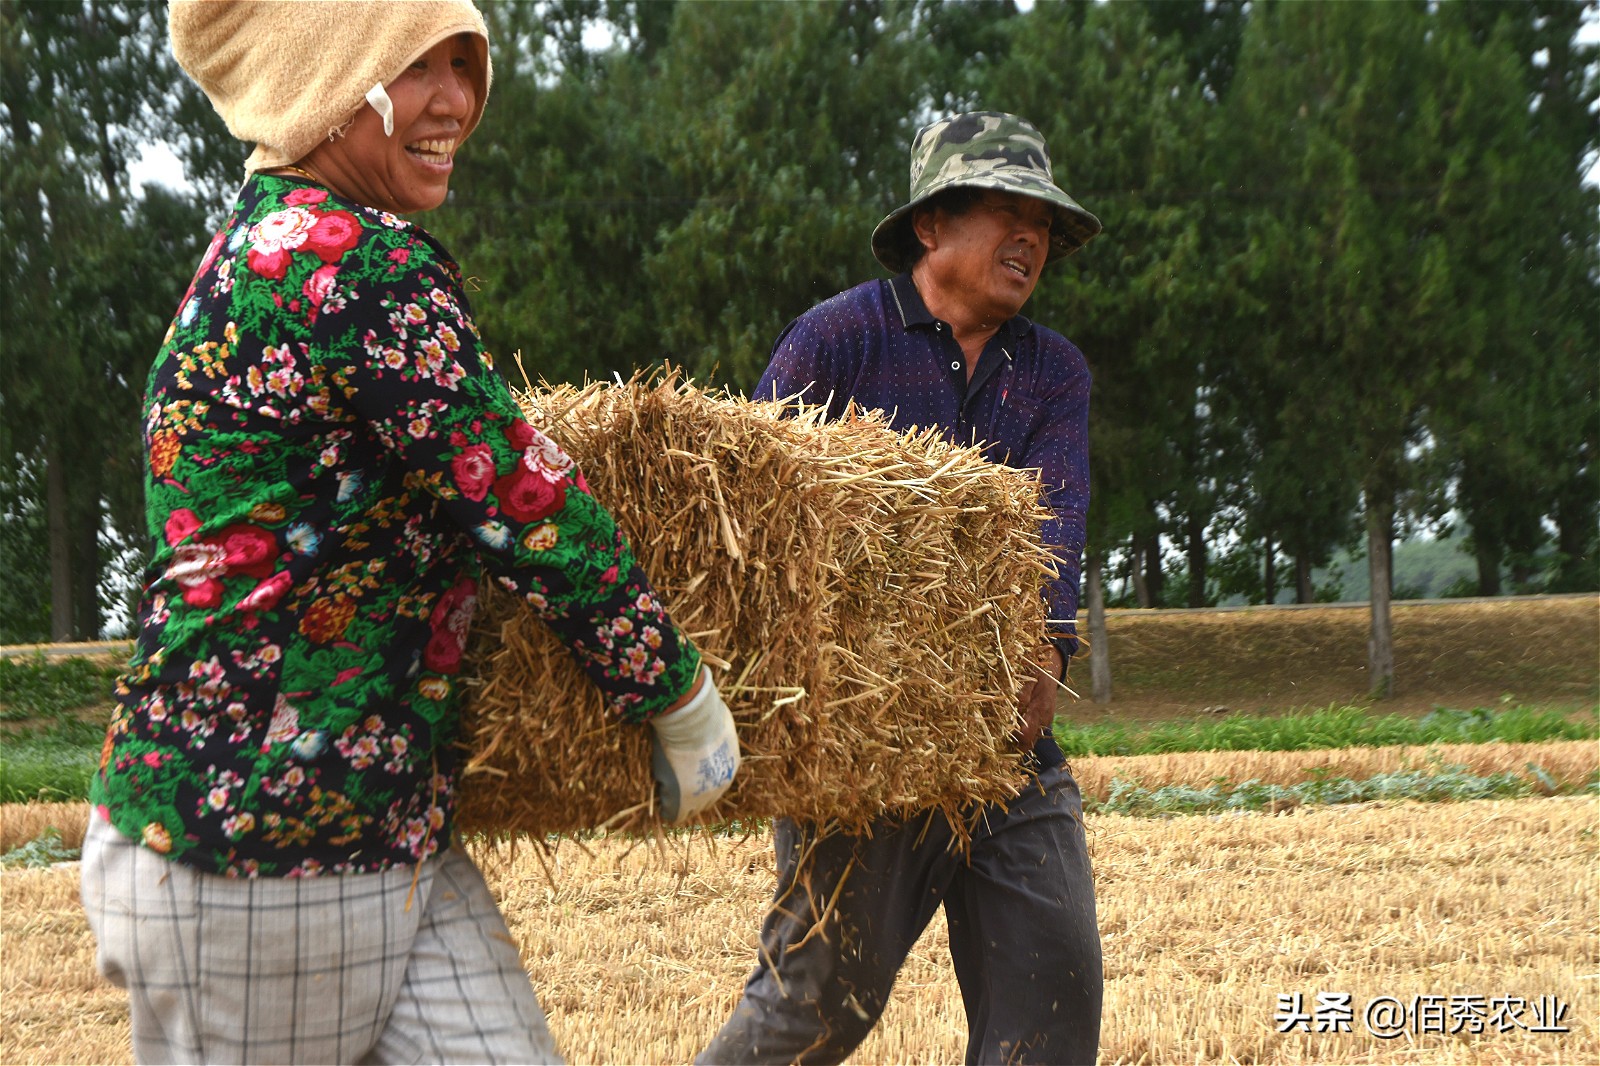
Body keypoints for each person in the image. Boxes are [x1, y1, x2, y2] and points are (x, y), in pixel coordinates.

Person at [79, 3, 738, 1063]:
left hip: (371, 826)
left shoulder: (257, 252)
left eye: (463, 64)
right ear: (329, 83)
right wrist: (675, 691)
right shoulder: (352, 265)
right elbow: (525, 503)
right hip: (264, 842)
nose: (457, 101)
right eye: (416, 66)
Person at [700, 112, 1105, 1065]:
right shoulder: (836, 345)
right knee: (817, 1006)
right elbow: (754, 531)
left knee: (1055, 988)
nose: (1032, 237)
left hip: (1010, 749)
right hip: (860, 755)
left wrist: (1046, 653)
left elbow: (1055, 527)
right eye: (1008, 210)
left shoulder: (1052, 373)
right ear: (932, 225)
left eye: (1042, 222)